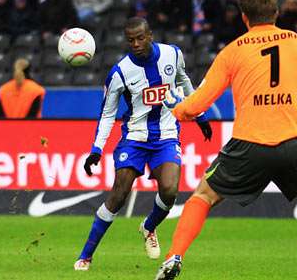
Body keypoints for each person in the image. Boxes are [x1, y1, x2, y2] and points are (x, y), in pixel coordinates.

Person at [154, 0, 297, 279]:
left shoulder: (232, 51)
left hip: (249, 144)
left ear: (243, 17)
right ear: (276, 13)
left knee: (203, 195)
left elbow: (195, 105)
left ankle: (174, 256)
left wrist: (177, 109)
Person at [73, 17, 213, 271]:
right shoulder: (119, 73)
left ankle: (149, 226)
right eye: (130, 40)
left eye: (140, 38)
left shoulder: (173, 55)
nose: (135, 44)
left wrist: (200, 114)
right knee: (118, 194)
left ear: (150, 35)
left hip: (166, 135)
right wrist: (96, 149)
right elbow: (107, 114)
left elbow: (183, 81)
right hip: (134, 138)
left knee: (170, 190)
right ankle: (86, 255)